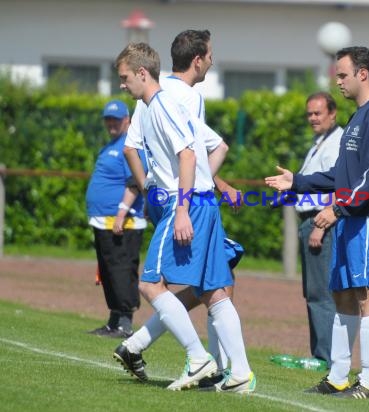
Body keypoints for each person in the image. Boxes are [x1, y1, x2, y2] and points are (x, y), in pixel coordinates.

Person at [114, 42, 255, 393]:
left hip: (188, 204)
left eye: (124, 77)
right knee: (214, 292)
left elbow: (189, 156)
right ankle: (240, 374)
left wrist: (180, 211)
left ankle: (198, 359)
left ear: (142, 73)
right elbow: (202, 150)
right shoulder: (154, 105)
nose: (121, 84)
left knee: (149, 283)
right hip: (200, 202)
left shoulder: (160, 106)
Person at [266, 46, 369, 400]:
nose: (337, 81)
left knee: (368, 294)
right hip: (352, 218)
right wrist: (297, 181)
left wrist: (339, 210)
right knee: (343, 294)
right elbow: (341, 176)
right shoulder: (358, 117)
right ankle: (339, 376)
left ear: (363, 74)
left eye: (342, 74)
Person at [85, 100, 147, 338]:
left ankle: (124, 322)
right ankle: (113, 320)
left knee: (121, 270)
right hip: (104, 221)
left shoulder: (129, 146)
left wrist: (121, 212)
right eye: (108, 119)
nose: (111, 123)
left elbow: (135, 181)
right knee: (108, 270)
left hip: (122, 222)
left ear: (127, 120)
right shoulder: (113, 144)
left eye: (116, 119)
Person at [295, 92, 342, 366]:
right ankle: (322, 353)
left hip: (320, 222)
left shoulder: (336, 142)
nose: (312, 118)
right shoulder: (320, 142)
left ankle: (325, 357)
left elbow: (338, 185)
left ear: (333, 113)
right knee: (313, 292)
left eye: (318, 113)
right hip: (311, 219)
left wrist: (320, 226)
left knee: (321, 293)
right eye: (309, 113)